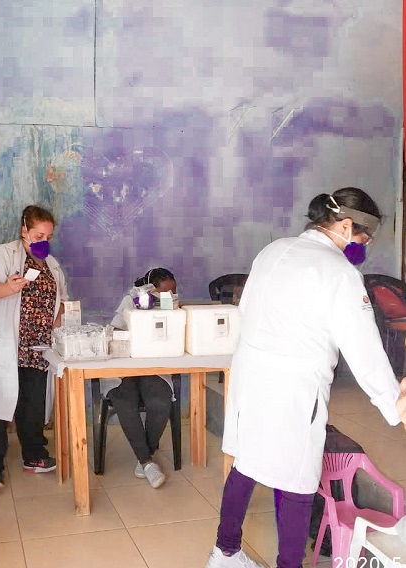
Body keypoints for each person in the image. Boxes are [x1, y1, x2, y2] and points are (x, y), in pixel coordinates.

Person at [205, 187, 406, 568]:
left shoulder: (273, 250)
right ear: (347, 226)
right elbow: (364, 349)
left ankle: (224, 553)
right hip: (295, 389)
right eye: (364, 237)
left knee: (246, 462)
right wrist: (393, 402)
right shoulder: (340, 273)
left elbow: (246, 309)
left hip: (250, 377)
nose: (363, 246)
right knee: (297, 481)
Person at [0, 205, 69, 490]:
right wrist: (7, 287)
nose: (44, 240)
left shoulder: (51, 265)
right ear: (24, 231)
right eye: (39, 234)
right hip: (3, 346)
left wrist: (60, 317)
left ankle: (34, 455)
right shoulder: (2, 255)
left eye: (48, 235)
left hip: (38, 347)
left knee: (31, 407)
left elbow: (61, 301)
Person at [102, 268, 178, 489]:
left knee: (160, 401)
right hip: (125, 369)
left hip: (153, 368)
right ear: (149, 289)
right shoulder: (132, 301)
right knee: (125, 401)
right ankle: (147, 462)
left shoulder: (174, 307)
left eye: (174, 291)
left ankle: (144, 458)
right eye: (164, 293)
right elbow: (114, 332)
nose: (170, 296)